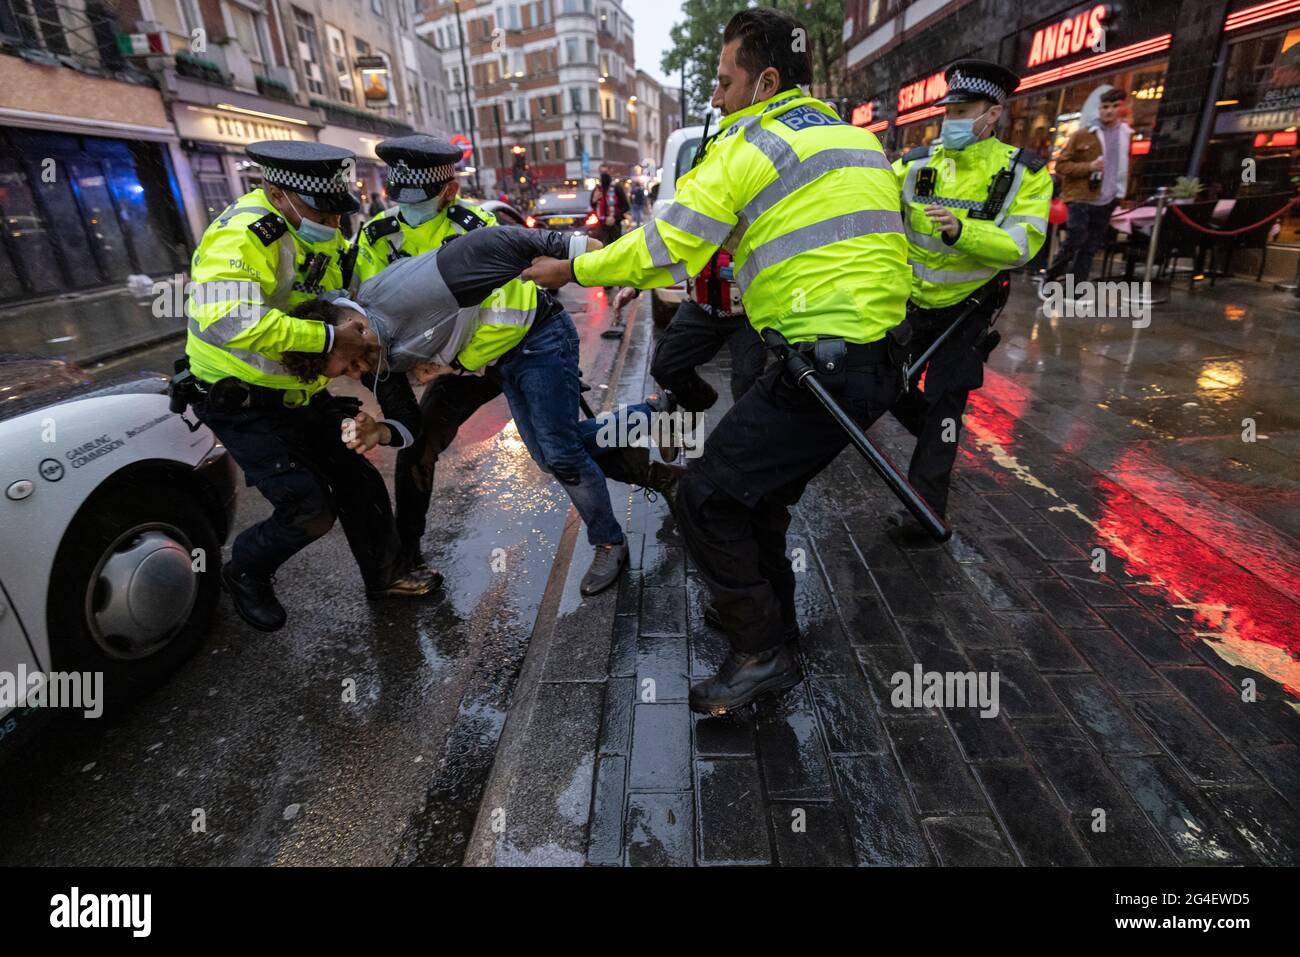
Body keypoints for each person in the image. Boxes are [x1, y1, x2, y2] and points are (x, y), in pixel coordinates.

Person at [523, 7, 911, 715]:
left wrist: (572, 268)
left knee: (705, 497)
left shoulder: (752, 144)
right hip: (873, 358)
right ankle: (769, 623)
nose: (716, 97)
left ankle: (761, 653)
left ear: (766, 80)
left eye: (726, 80)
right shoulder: (856, 141)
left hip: (819, 366)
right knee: (755, 496)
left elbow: (664, 246)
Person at [284, 226, 667, 595]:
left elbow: (487, 244)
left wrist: (570, 246)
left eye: (348, 365)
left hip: (541, 336)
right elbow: (407, 420)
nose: (357, 374)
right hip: (504, 359)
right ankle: (652, 415)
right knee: (551, 455)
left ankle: (609, 542)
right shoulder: (370, 350)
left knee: (562, 454)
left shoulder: (408, 294)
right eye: (346, 375)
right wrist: (379, 432)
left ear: (349, 327)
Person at [180, 140, 436, 633]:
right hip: (241, 399)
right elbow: (223, 318)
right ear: (277, 194)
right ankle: (245, 570)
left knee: (360, 483)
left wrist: (369, 341)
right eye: (322, 210)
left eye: (339, 212)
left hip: (297, 392)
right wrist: (325, 339)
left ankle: (387, 577)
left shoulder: (327, 234)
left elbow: (344, 299)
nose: (334, 223)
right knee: (308, 507)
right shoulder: (242, 235)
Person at [890, 60, 1053, 525]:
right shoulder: (913, 164)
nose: (951, 120)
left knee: (946, 401)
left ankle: (923, 512)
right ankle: (936, 443)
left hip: (967, 312)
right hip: (910, 303)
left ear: (993, 114)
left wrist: (964, 231)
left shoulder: (1025, 173)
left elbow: (1022, 245)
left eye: (963, 110)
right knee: (884, 386)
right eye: (948, 111)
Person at [352, 135, 506, 577]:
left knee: (555, 445)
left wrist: (454, 364)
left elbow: (507, 311)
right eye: (398, 200)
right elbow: (373, 310)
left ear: (450, 191)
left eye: (417, 201)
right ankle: (408, 553)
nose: (407, 211)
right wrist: (407, 360)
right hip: (434, 363)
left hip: (492, 354)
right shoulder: (377, 235)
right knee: (417, 447)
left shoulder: (476, 227)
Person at [1041, 85, 1131, 287]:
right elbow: (1062, 165)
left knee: (1090, 247)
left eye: (1114, 106)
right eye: (1105, 106)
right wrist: (1089, 166)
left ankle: (1075, 287)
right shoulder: (1083, 134)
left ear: (1121, 108)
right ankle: (1050, 277)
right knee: (1075, 240)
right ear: (1099, 109)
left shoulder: (1125, 134)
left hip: (1107, 199)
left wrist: (1120, 195)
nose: (1109, 111)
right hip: (1080, 197)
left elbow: (1123, 167)